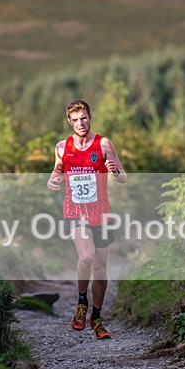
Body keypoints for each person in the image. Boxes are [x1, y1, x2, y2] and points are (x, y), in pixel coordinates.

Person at [47, 99, 127, 339]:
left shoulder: (103, 144)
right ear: (69, 122)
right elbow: (58, 170)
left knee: (101, 270)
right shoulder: (62, 147)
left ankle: (97, 318)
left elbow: (123, 177)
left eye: (83, 118)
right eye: (75, 120)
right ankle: (82, 302)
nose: (80, 123)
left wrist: (115, 170)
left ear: (90, 117)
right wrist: (52, 179)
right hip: (75, 211)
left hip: (101, 212)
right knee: (86, 256)